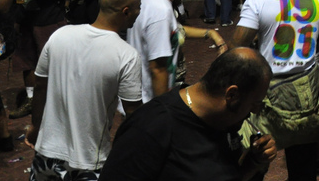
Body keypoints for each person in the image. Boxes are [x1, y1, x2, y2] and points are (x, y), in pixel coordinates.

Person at [231, 0, 319, 181]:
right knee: (303, 164)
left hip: (267, 88)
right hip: (306, 90)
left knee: (255, 159)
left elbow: (237, 48)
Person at [99, 48, 277, 181]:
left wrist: (253, 161)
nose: (255, 111)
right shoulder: (151, 127)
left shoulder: (223, 122)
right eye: (254, 103)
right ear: (232, 95)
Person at [28, 0, 143, 180]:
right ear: (126, 11)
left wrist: (36, 127)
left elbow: (39, 86)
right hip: (89, 160)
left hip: (47, 152)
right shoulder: (126, 55)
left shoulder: (60, 35)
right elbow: (133, 113)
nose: (139, 12)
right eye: (138, 7)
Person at [129, 0, 226, 103]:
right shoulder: (159, 11)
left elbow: (173, 29)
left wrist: (211, 33)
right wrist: (162, 110)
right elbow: (158, 68)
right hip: (149, 103)